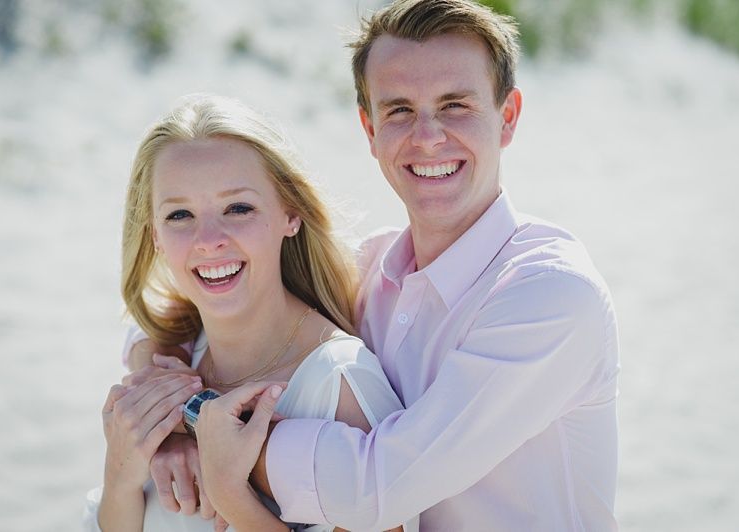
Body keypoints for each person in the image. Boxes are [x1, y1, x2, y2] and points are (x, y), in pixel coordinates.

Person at [131, 0, 620, 530]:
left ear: (508, 117)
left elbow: (376, 488)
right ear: (369, 129)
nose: (428, 136)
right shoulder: (367, 268)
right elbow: (200, 323)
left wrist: (205, 427)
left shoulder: (549, 295)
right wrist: (164, 423)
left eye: (455, 105)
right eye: (399, 110)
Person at [83, 94, 417, 531]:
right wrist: (121, 480)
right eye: (180, 214)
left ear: (290, 214)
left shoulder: (339, 386)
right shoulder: (179, 352)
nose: (208, 239)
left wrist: (232, 495)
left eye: (238, 208)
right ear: (156, 237)